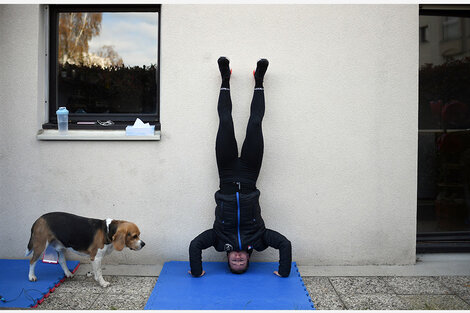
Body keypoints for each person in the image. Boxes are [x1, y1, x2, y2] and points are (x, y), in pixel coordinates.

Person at [188, 57, 292, 278]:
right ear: (247, 259)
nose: (237, 259)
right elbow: (284, 243)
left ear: (227, 259)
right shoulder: (260, 238)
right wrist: (284, 272)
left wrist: (197, 272)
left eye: (233, 263)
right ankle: (259, 81)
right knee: (255, 123)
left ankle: (225, 78)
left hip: (225, 174)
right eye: (241, 263)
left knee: (225, 121)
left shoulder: (217, 238)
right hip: (249, 174)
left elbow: (195, 244)